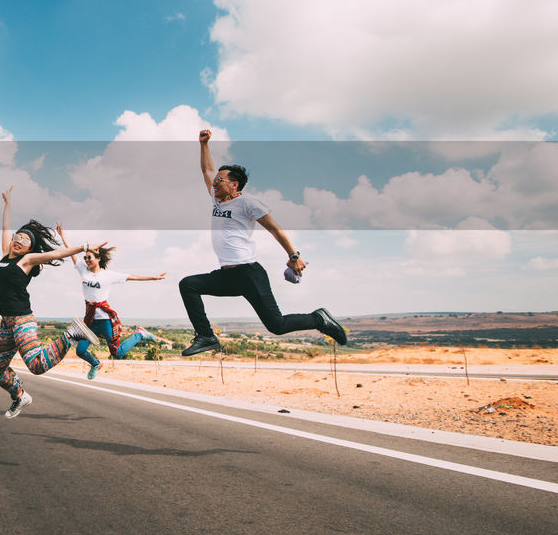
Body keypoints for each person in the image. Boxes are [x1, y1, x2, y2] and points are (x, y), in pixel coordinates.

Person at [178, 129, 347, 357]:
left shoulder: (249, 203)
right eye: (215, 180)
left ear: (234, 185)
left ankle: (319, 319)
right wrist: (204, 145)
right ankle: (207, 336)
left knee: (276, 326)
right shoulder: (216, 198)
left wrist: (294, 256)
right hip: (227, 276)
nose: (214, 183)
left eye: (220, 180)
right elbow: (207, 169)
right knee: (188, 284)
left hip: (249, 274)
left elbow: (275, 230)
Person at [0, 187, 100, 418]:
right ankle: (20, 396)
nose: (19, 240)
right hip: (6, 323)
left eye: (25, 240)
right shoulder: (4, 254)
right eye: (18, 236)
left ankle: (71, 334)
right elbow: (5, 228)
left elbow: (56, 255)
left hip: (22, 320)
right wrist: (7, 204)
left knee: (37, 365)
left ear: (30, 248)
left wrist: (83, 248)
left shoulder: (26, 260)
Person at [57, 224, 164, 379]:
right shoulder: (82, 270)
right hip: (90, 321)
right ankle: (95, 364)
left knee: (117, 353)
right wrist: (63, 236)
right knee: (80, 351)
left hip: (105, 320)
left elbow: (132, 276)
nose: (86, 260)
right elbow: (71, 253)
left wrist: (153, 277)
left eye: (89, 257)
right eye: (85, 257)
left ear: (98, 259)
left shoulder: (108, 275)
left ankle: (140, 335)